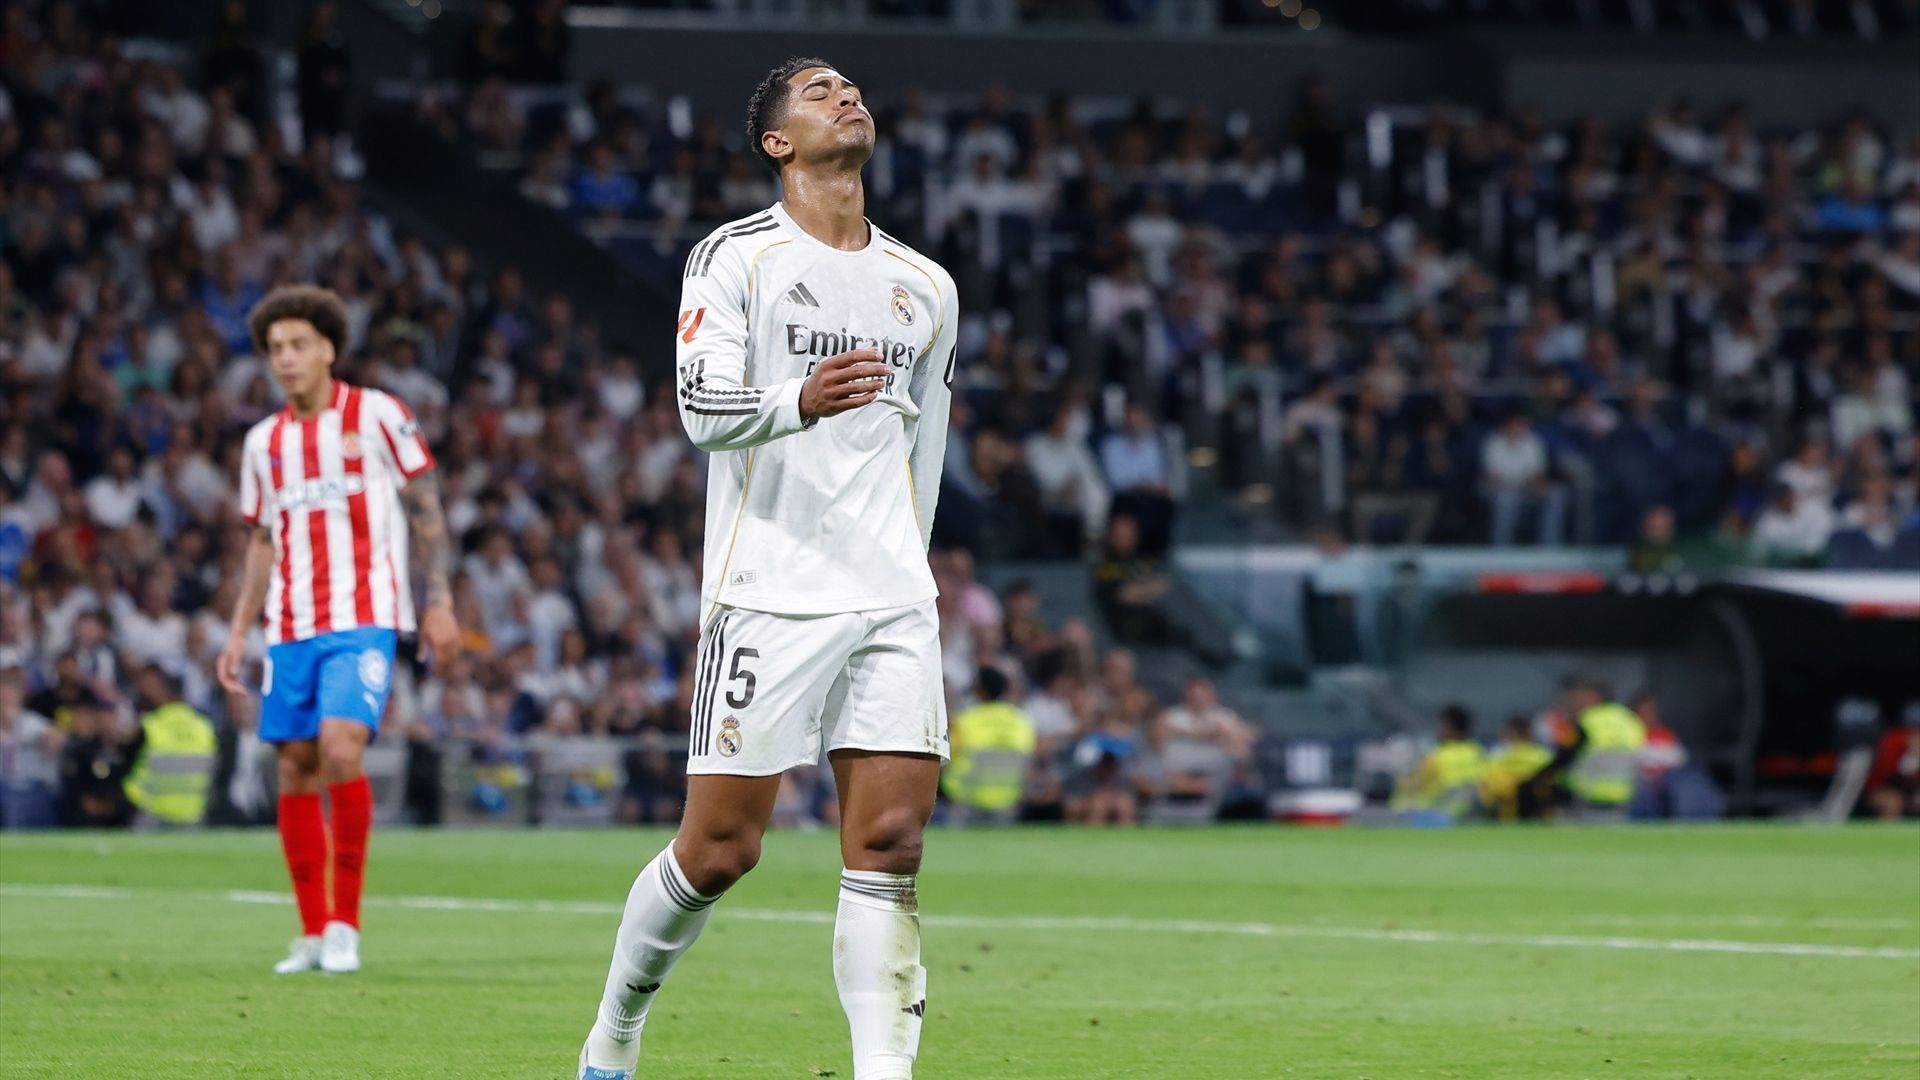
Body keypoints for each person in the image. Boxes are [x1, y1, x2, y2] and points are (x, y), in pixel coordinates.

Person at [577, 58, 958, 1080]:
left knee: (888, 846)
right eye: (817, 91)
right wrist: (799, 399)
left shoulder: (927, 287)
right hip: (768, 591)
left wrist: (908, 582)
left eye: (852, 86)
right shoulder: (734, 258)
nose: (846, 96)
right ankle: (614, 1031)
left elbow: (927, 458)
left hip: (889, 598)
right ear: (777, 142)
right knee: (719, 852)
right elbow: (702, 409)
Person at [215, 285, 462, 976]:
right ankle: (312, 931)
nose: (285, 360)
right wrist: (238, 633)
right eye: (274, 350)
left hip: (366, 619)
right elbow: (262, 541)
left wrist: (438, 598)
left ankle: (346, 924)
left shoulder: (378, 414)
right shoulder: (264, 443)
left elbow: (427, 509)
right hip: (290, 626)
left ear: (328, 347)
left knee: (341, 749)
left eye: (297, 345)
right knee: (292, 767)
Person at [942, 667, 1036, 821]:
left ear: (979, 690)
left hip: (966, 802)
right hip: (1008, 805)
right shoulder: (1021, 720)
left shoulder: (964, 721)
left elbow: (946, 759)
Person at [1392, 704, 1485, 816]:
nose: (1439, 729)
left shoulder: (1436, 756)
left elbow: (1414, 786)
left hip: (1439, 813)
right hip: (1472, 813)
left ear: (1449, 727)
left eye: (1442, 725)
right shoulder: (1477, 752)